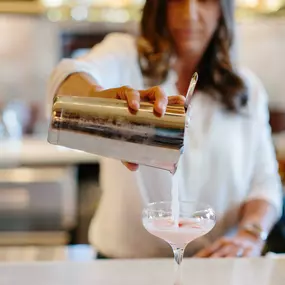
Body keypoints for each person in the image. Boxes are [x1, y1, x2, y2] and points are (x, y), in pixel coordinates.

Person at [47, 0, 282, 258]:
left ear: (222, 10)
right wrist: (96, 98)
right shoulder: (125, 56)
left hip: (215, 266)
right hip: (125, 268)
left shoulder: (247, 88)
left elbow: (264, 182)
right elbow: (67, 73)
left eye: (204, 1)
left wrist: (250, 235)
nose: (188, 13)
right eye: (176, 0)